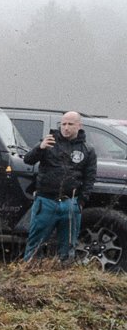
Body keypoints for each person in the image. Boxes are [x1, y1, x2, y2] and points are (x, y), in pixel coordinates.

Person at [23, 110, 98, 263]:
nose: (66, 128)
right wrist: (40, 147)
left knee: (68, 246)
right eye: (63, 124)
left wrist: (81, 202)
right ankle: (28, 272)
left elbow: (90, 178)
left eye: (70, 124)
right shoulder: (49, 142)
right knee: (35, 243)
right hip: (46, 201)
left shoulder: (87, 150)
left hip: (70, 203)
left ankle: (63, 276)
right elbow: (28, 160)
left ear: (79, 126)